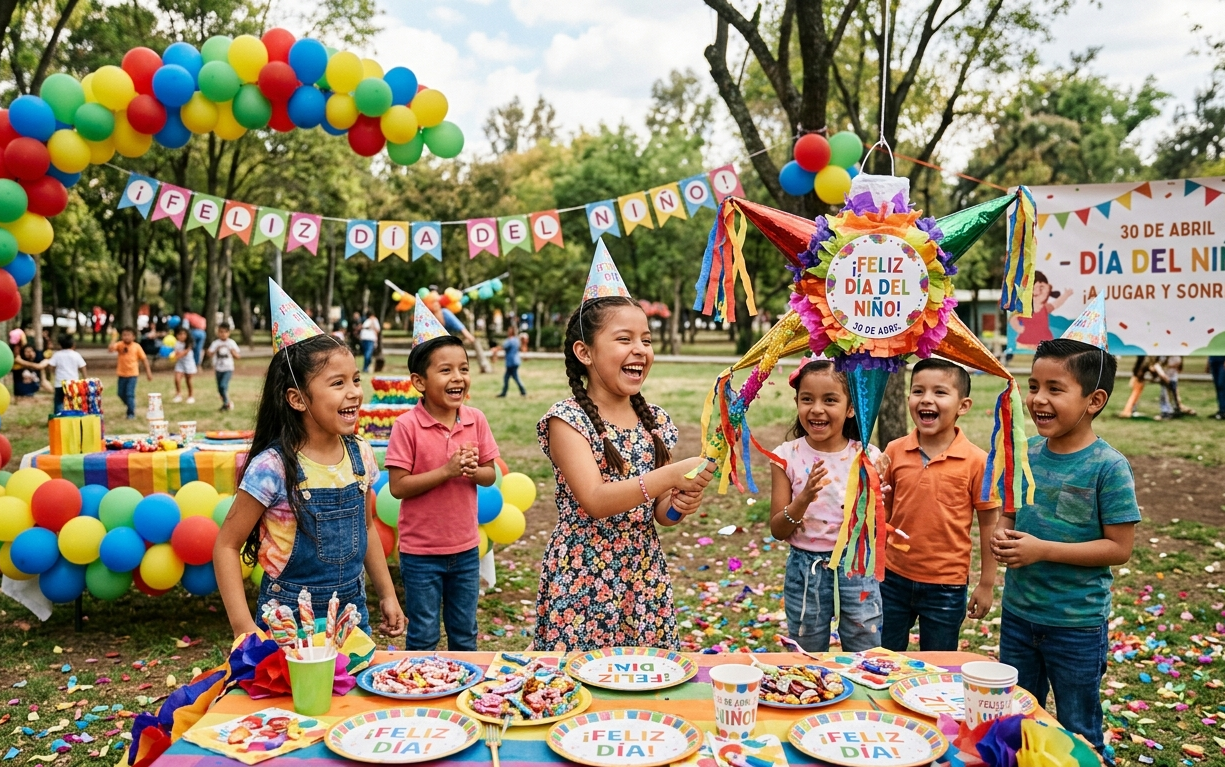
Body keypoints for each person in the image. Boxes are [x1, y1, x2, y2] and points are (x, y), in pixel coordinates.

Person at [213, 281, 406, 639]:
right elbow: (225, 546)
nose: (354, 392)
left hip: (351, 617)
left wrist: (388, 594)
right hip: (286, 624)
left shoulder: (361, 454)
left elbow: (366, 528)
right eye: (337, 383)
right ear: (297, 399)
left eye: (355, 379)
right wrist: (243, 630)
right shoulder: (272, 467)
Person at [534, 295, 714, 652]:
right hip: (582, 576)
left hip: (643, 573)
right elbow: (597, 501)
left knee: (643, 674)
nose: (640, 349)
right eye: (624, 339)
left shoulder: (656, 421)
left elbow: (662, 513)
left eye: (646, 340)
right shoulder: (567, 420)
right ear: (585, 353)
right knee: (583, 676)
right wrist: (671, 476)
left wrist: (681, 501)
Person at [992, 338, 1139, 761]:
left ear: (1094, 400)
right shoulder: (1027, 454)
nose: (1038, 399)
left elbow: (1119, 548)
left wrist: (1043, 550)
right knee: (1017, 719)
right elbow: (1011, 513)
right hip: (1019, 615)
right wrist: (1003, 533)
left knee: (1078, 728)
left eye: (1055, 389)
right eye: (1034, 385)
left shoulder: (1108, 467)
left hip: (1076, 626)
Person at [385, 305, 499, 651]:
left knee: (465, 632)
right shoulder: (407, 426)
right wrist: (446, 471)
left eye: (463, 369)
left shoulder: (475, 419)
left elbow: (490, 476)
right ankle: (421, 691)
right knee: (423, 633)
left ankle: (466, 693)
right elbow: (398, 486)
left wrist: (470, 471)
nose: (458, 378)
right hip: (421, 553)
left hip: (465, 548)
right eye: (445, 370)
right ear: (419, 381)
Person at [879, 359, 1000, 652]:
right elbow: (884, 512)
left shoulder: (978, 462)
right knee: (883, 657)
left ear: (963, 405)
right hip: (893, 579)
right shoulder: (894, 450)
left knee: (939, 663)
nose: (927, 399)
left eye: (940, 392)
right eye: (918, 391)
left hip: (946, 585)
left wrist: (986, 584)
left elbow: (989, 525)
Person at [770, 358, 883, 652]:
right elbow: (778, 529)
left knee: (864, 647)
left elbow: (881, 524)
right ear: (797, 402)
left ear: (850, 408)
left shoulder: (868, 456)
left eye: (829, 400)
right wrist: (804, 498)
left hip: (856, 566)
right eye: (807, 399)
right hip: (805, 570)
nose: (817, 409)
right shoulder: (786, 456)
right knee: (806, 651)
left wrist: (879, 499)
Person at [1009, 271, 1070, 349]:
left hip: (1044, 344)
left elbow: (1056, 303)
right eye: (1033, 288)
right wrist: (1018, 327)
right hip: (1025, 343)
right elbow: (1013, 317)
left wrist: (1066, 295)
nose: (1037, 291)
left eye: (1041, 288)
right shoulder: (1024, 308)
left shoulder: (1044, 308)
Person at [109, 327, 154, 419]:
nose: (126, 337)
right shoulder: (120, 345)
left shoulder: (137, 347)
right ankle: (131, 404)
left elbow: (144, 360)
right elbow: (110, 349)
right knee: (120, 393)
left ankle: (131, 413)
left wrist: (148, 372)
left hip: (132, 374)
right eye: (124, 335)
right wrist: (113, 338)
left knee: (129, 394)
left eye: (129, 335)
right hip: (121, 374)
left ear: (133, 337)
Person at [206, 323, 242, 411]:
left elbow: (238, 356)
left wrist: (232, 352)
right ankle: (227, 403)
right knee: (220, 389)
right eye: (220, 332)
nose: (223, 334)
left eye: (225, 332)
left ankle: (226, 403)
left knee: (223, 385)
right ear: (218, 332)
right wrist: (215, 350)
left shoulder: (231, 343)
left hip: (228, 368)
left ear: (228, 333)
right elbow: (209, 354)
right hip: (218, 368)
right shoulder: (216, 343)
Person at [49, 335, 87, 415]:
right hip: (73, 384)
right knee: (73, 401)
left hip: (59, 383)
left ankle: (58, 418)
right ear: (73, 344)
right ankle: (72, 416)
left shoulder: (57, 355)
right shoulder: (76, 355)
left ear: (60, 345)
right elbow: (82, 367)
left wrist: (52, 373)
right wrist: (85, 378)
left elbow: (51, 366)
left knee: (59, 402)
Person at [495, 322, 526, 397]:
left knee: (514, 377)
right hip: (515, 361)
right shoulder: (516, 340)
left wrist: (495, 349)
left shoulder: (510, 340)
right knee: (508, 377)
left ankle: (522, 391)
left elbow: (503, 347)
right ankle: (506, 392)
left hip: (511, 362)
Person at [170, 327, 197, 403]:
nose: (182, 336)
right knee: (177, 379)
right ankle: (178, 395)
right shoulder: (176, 343)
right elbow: (175, 352)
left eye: (184, 334)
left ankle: (190, 396)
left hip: (189, 364)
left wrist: (176, 356)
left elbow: (184, 353)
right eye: (180, 334)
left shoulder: (188, 344)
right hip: (180, 364)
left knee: (188, 381)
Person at [1210, 356, 1225, 420]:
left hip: (1222, 360)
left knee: (1222, 384)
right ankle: (1221, 410)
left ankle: (1223, 410)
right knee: (1218, 386)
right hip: (1213, 360)